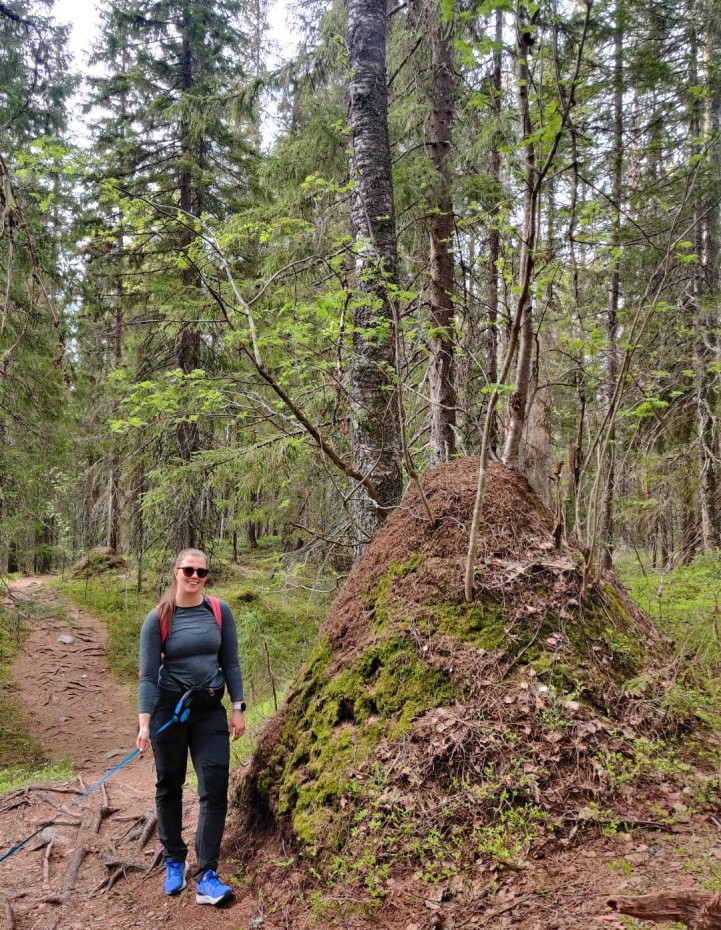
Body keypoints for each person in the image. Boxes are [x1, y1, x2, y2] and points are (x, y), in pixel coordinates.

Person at [137, 548, 246, 906]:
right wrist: (144, 723)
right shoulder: (158, 618)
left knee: (214, 786)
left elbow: (230, 662)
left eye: (201, 571)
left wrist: (237, 707)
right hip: (169, 710)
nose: (195, 577)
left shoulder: (218, 610)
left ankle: (207, 875)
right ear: (176, 572)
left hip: (209, 709)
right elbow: (148, 676)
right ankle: (174, 860)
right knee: (169, 784)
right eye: (188, 570)